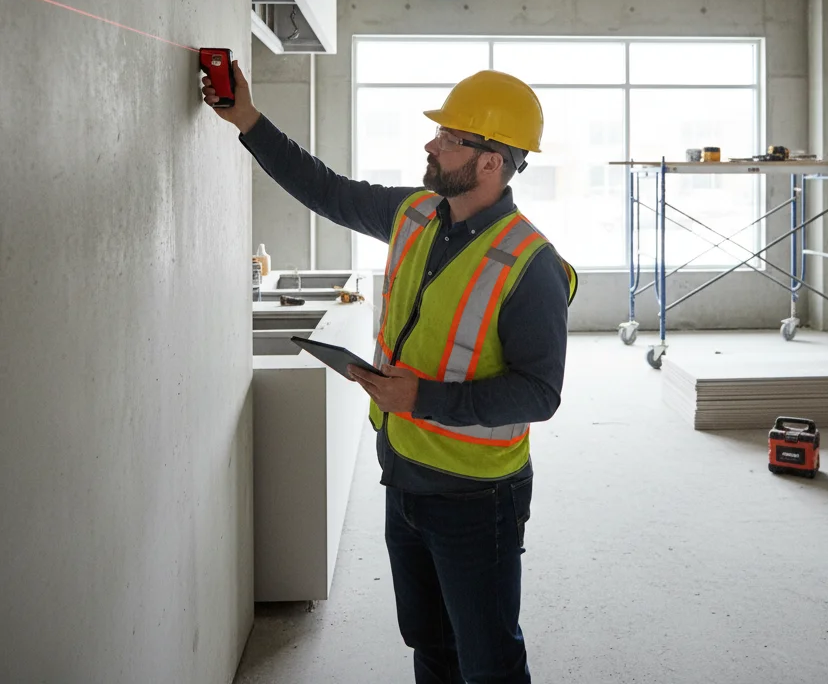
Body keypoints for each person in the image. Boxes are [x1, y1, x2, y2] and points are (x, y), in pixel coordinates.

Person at [203, 61, 577, 684]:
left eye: (450, 138)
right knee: (428, 642)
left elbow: (540, 393)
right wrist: (247, 120)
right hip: (402, 472)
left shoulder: (529, 263)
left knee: (489, 658)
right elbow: (326, 190)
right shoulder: (416, 214)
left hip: (475, 495)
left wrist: (422, 397)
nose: (432, 144)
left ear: (492, 162)